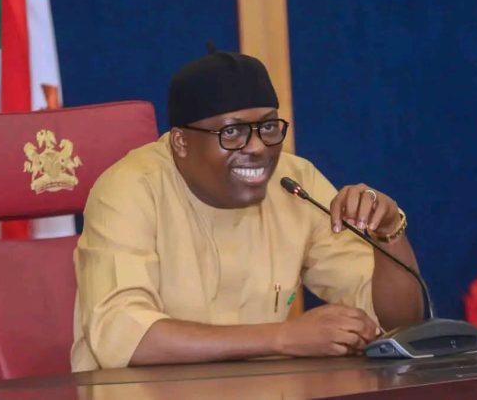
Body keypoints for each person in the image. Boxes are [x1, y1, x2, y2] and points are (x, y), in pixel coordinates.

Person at [71, 52, 423, 371]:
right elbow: (121, 336)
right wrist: (282, 338)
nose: (257, 148)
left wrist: (389, 233)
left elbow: (396, 322)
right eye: (232, 132)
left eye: (268, 127)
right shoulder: (130, 189)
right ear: (181, 142)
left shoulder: (295, 182)